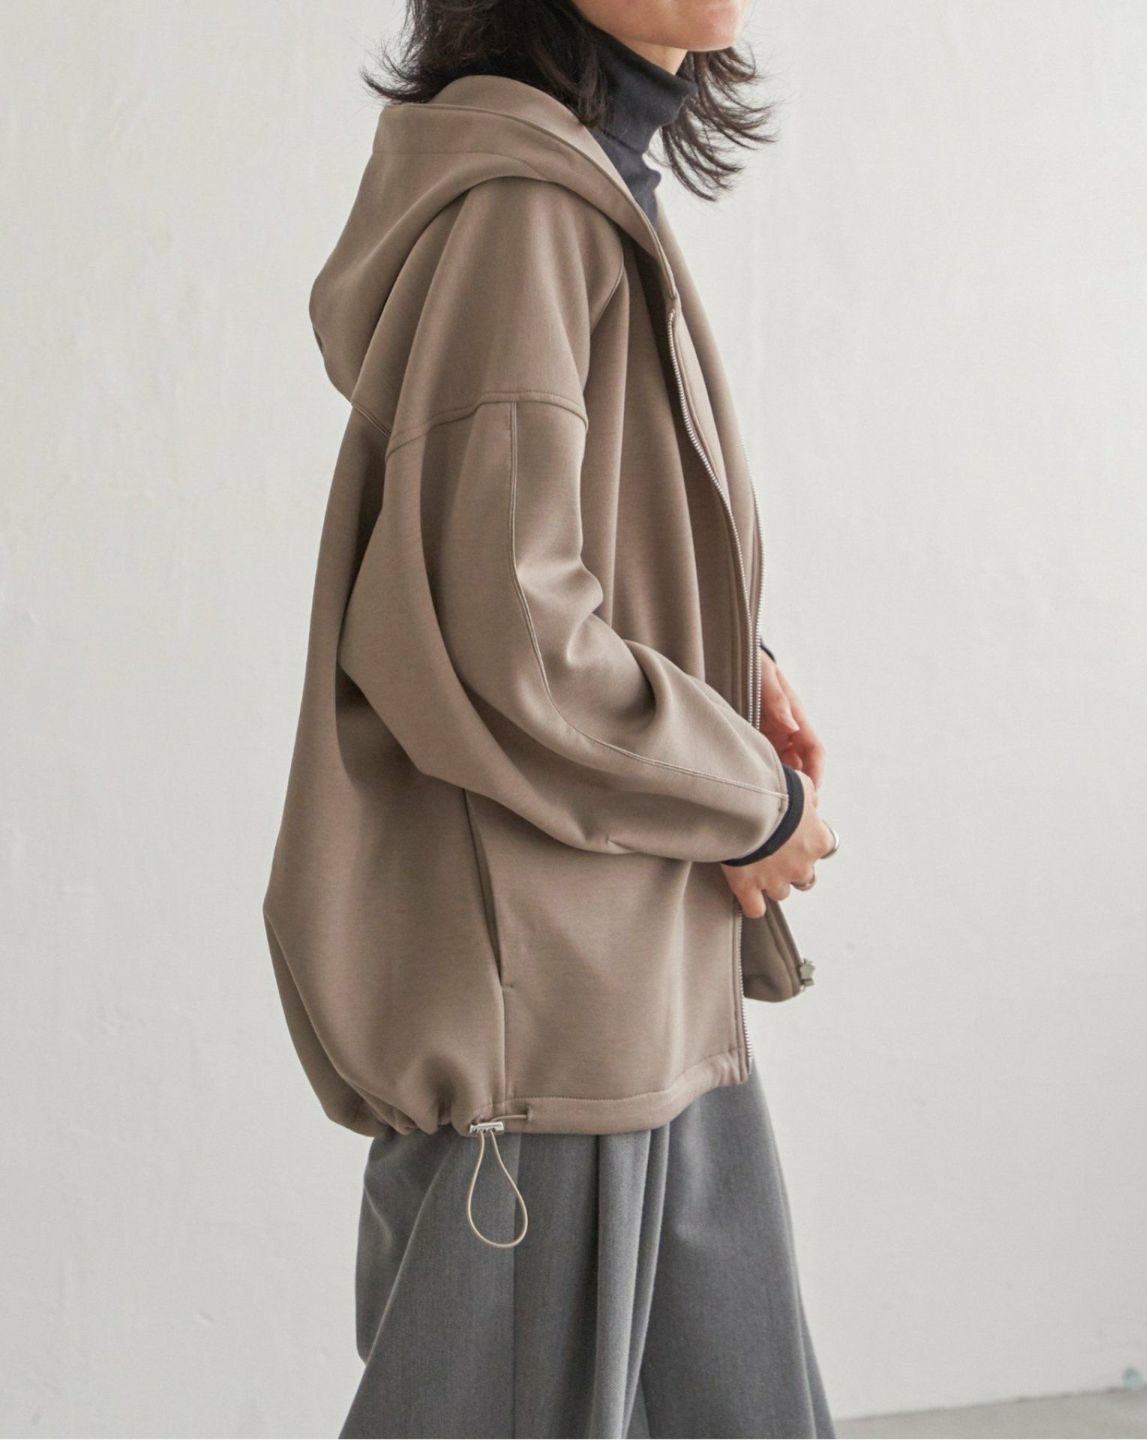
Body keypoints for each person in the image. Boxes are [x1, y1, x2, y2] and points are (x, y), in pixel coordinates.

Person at [262, 2, 840, 1435]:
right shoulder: (529, 206)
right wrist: (750, 799)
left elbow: (554, 551)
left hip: (634, 994)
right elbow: (507, 630)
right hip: (554, 1023)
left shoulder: (582, 177)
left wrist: (735, 664)